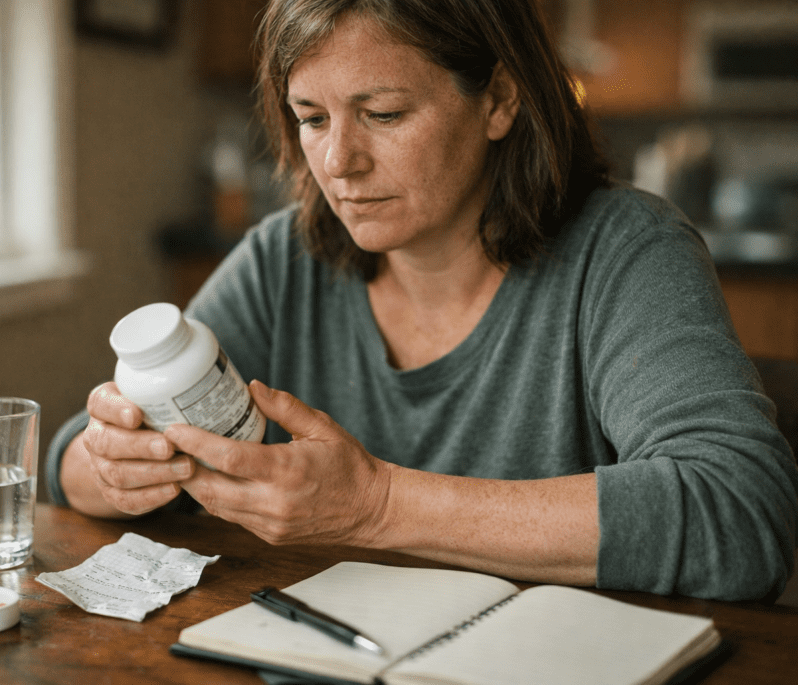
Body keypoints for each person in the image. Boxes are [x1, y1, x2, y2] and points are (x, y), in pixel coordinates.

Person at [48, 0, 798, 600]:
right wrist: (111, 463)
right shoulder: (287, 256)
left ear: (499, 99)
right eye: (313, 119)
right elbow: (72, 461)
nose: (339, 162)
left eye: (383, 114)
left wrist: (377, 504)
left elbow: (741, 512)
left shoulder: (626, 248)